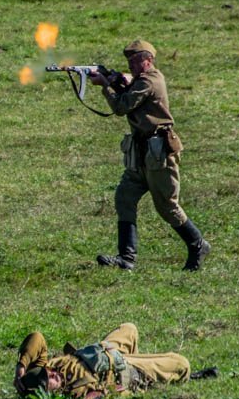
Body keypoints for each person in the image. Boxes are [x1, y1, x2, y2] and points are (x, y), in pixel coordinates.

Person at [89, 40, 209, 271]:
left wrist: (105, 85)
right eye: (129, 62)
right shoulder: (140, 80)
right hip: (141, 152)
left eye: (136, 61)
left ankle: (198, 245)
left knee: (167, 206)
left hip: (158, 153)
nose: (131, 66)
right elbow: (131, 98)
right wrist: (117, 81)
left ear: (149, 60)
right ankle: (127, 258)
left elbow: (122, 107)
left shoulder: (149, 81)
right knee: (124, 197)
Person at [13, 322, 214, 399]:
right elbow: (106, 395)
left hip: (106, 350)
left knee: (130, 328)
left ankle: (151, 370)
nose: (52, 373)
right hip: (123, 370)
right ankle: (149, 375)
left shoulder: (43, 370)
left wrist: (21, 367)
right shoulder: (73, 396)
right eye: (49, 379)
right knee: (182, 365)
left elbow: (37, 338)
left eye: (48, 372)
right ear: (46, 394)